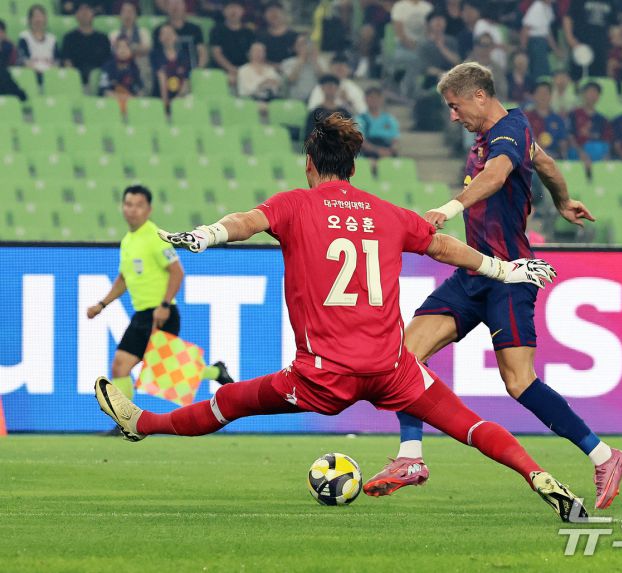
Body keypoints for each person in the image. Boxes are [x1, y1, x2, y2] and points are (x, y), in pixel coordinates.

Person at [94, 113, 587, 524]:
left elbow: (245, 223)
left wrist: (207, 235)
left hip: (324, 377)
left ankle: (144, 422)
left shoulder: (294, 205)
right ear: (351, 167)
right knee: (470, 425)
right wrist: (505, 268)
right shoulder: (386, 212)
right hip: (392, 369)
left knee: (231, 401)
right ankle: (537, 475)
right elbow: (443, 246)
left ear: (310, 165)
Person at [362, 62, 622, 511]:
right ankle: (411, 458)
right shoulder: (498, 137)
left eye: (455, 105)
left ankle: (605, 455)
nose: (452, 115)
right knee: (403, 357)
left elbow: (499, 174)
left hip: (512, 274)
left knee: (519, 382)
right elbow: (543, 162)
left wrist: (449, 207)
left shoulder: (510, 128)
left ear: (480, 96)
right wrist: (563, 200)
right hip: (475, 273)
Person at [86, 185, 234, 405]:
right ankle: (126, 423)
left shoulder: (154, 237)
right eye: (128, 204)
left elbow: (177, 271)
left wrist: (164, 305)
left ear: (148, 209)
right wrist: (102, 304)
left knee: (161, 370)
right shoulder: (128, 240)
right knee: (121, 366)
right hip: (142, 314)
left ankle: (214, 372)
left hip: (161, 313)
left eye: (138, 205)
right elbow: (124, 278)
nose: (132, 210)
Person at [563, 0, 618, 80]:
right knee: (578, 77)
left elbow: (613, 24)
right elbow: (568, 18)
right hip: (581, 46)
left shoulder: (610, 2)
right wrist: (570, 39)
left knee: (599, 78)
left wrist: (612, 47)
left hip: (601, 47)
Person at [62, 2, 112, 85]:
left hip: (98, 80)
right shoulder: (69, 38)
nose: (84, 13)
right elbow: (67, 61)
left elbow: (107, 62)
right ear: (76, 15)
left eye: (87, 9)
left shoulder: (102, 38)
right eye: (81, 10)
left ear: (93, 14)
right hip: (77, 81)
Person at [209, 1, 255, 87]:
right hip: (222, 71)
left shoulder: (249, 32)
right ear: (224, 11)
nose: (233, 11)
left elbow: (251, 54)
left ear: (242, 11)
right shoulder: (217, 30)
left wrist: (244, 71)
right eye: (230, 7)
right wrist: (231, 69)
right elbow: (216, 53)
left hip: (244, 71)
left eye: (237, 8)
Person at [568, 81, 613, 165]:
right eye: (590, 92)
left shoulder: (602, 119)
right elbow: (570, 137)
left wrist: (605, 156)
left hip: (597, 152)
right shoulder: (574, 114)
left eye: (595, 93)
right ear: (583, 94)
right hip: (578, 151)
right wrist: (581, 153)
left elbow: (606, 141)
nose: (592, 95)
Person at [153, 0, 207, 69]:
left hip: (193, 70)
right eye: (171, 4)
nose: (175, 7)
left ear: (184, 6)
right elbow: (156, 55)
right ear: (166, 7)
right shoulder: (159, 30)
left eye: (178, 4)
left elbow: (202, 52)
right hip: (168, 71)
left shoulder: (195, 29)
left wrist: (198, 70)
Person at [416, 12, 460, 93]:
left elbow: (457, 61)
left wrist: (442, 47)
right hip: (432, 78)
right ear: (428, 24)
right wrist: (443, 74)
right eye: (435, 19)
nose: (439, 22)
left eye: (441, 19)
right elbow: (426, 68)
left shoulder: (451, 41)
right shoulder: (423, 44)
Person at [525, 80, 569, 160]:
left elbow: (563, 142)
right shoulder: (526, 117)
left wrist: (562, 150)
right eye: (540, 93)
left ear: (551, 96)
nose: (543, 96)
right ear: (534, 96)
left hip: (554, 158)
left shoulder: (558, 119)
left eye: (546, 93)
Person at [151, 23, 191, 109]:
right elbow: (161, 79)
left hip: (179, 98)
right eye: (164, 34)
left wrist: (177, 100)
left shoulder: (183, 56)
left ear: (176, 36)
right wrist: (166, 104)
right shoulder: (155, 55)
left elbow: (186, 81)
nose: (167, 36)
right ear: (159, 38)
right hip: (160, 97)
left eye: (170, 33)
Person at [98, 37, 143, 110]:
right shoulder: (107, 67)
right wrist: (122, 98)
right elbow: (104, 91)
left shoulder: (134, 68)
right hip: (110, 106)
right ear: (115, 50)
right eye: (119, 47)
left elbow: (139, 91)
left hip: (131, 106)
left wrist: (133, 99)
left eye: (126, 47)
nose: (123, 50)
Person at [356, 86, 400, 159]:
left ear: (382, 99)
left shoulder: (389, 119)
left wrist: (390, 150)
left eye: (377, 97)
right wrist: (377, 150)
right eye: (371, 97)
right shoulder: (360, 119)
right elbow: (361, 141)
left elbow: (395, 139)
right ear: (365, 99)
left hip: (387, 149)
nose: (374, 100)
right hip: (368, 151)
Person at [280, 34, 328, 102]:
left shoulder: (320, 61)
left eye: (306, 44)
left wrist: (315, 61)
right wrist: (301, 60)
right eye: (301, 44)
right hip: (296, 100)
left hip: (316, 100)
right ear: (294, 47)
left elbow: (325, 80)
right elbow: (291, 80)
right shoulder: (288, 62)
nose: (305, 47)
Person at [17, 4, 60, 77]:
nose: (38, 19)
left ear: (45, 19)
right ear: (30, 19)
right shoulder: (24, 37)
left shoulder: (52, 39)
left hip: (50, 75)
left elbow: (57, 61)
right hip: (31, 75)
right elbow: (23, 60)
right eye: (35, 16)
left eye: (40, 16)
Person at [520, 0, 558, 81]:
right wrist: (523, 50)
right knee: (539, 72)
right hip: (535, 42)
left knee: (546, 70)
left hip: (543, 42)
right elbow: (525, 29)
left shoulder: (548, 7)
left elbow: (547, 31)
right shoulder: (537, 7)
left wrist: (555, 49)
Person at [304, 74, 351, 139]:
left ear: (337, 89)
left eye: (334, 86)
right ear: (322, 88)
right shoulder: (315, 113)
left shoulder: (344, 113)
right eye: (328, 86)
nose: (331, 88)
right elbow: (309, 136)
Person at [256, 2, 298, 66]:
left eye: (276, 11)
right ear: (264, 16)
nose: (273, 14)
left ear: (284, 14)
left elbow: (299, 58)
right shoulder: (260, 36)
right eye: (270, 11)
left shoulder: (294, 36)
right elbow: (256, 57)